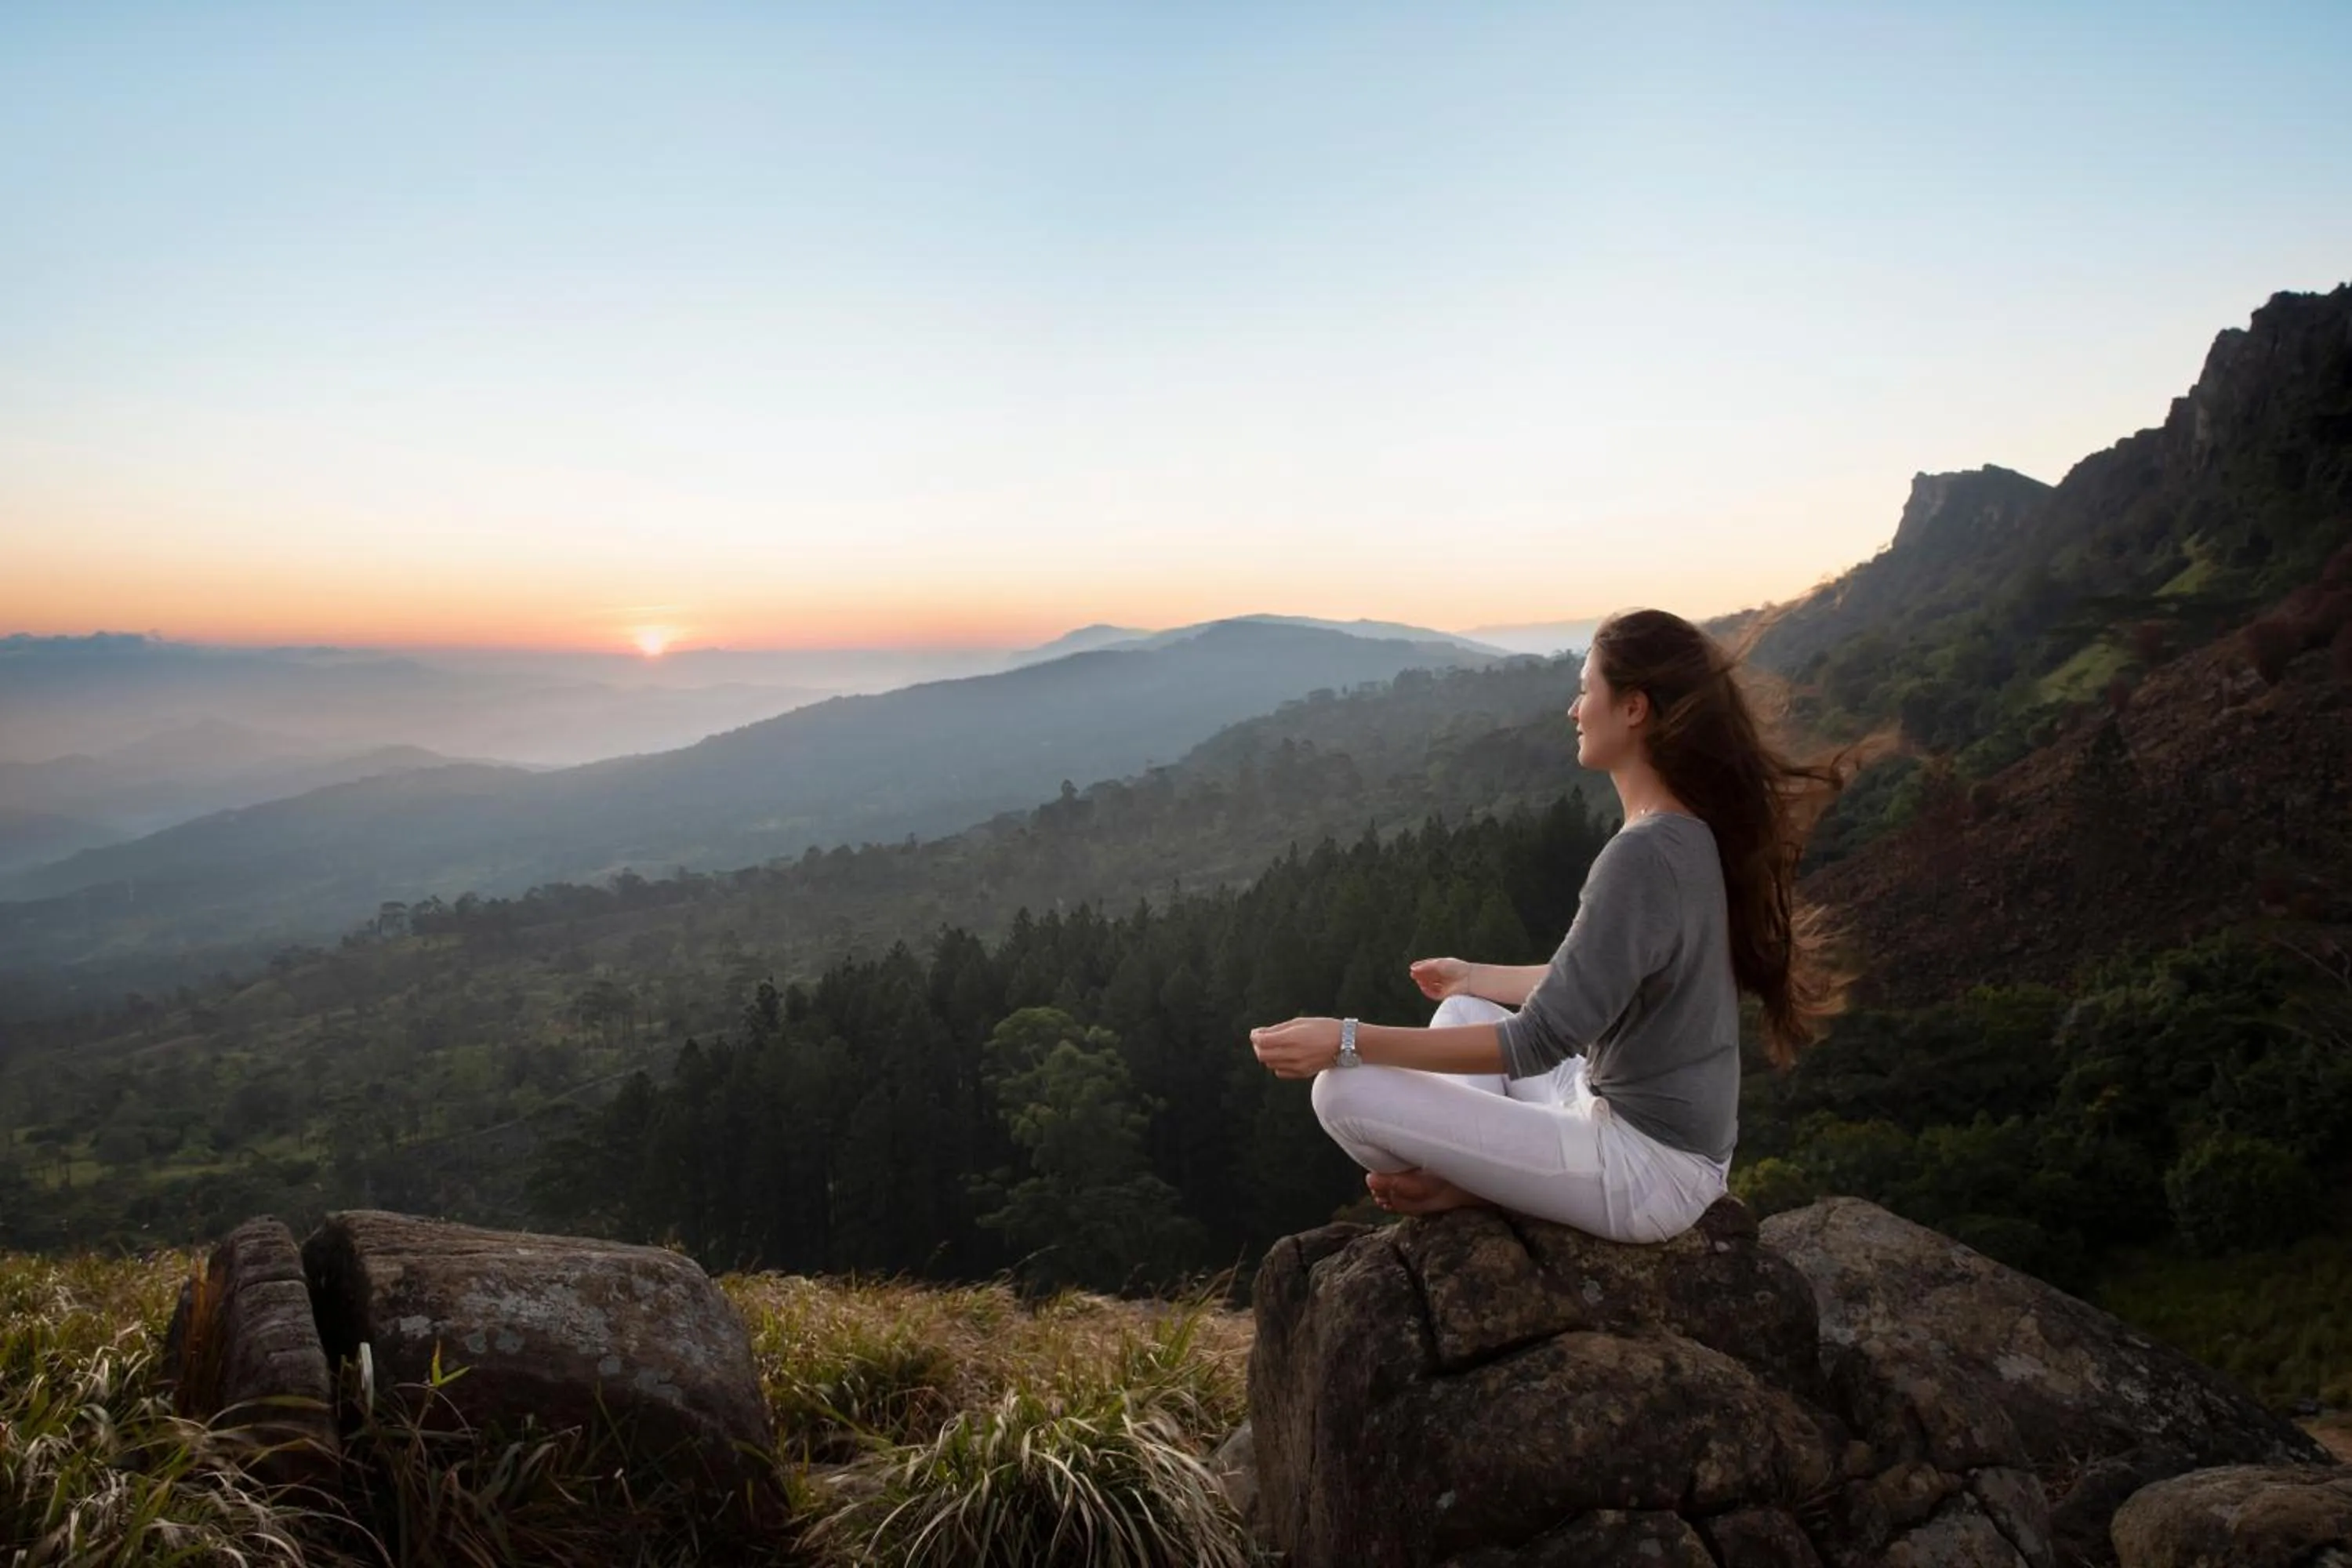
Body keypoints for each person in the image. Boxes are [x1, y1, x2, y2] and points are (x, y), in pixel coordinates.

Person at [1247, 608, 1870, 1244]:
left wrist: (1346, 1039)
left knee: (1341, 1094)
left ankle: (1484, 1186)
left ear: (1634, 709)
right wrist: (1474, 977)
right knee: (1463, 1011)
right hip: (1630, 1124)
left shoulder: (1645, 854)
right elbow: (1599, 979)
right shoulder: (1685, 833)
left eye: (1585, 689)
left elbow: (1534, 1043)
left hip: (1647, 1170)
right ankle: (1494, 1178)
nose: (1574, 709)